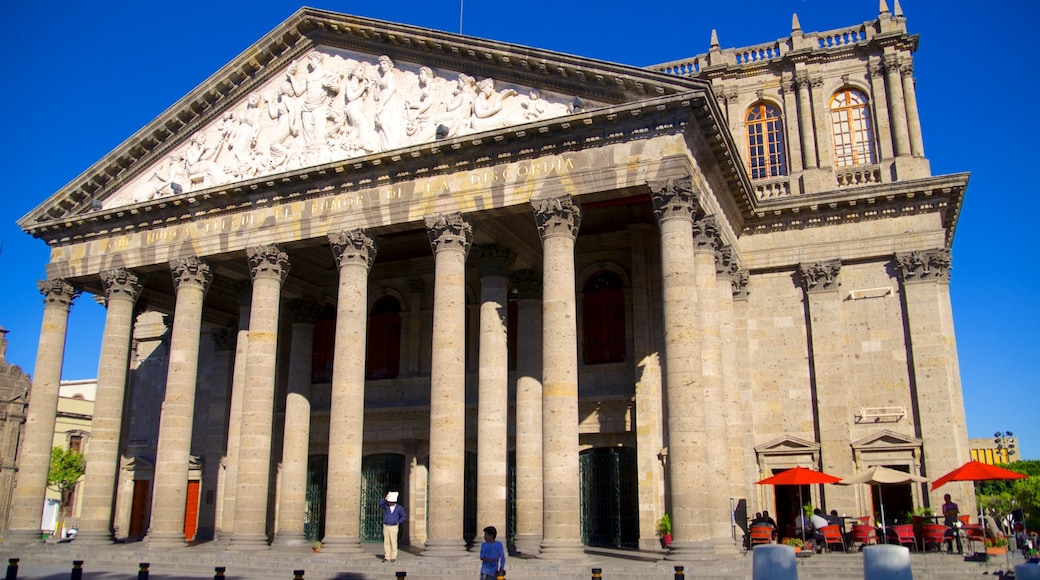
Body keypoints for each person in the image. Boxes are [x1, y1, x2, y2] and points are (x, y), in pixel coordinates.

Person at [379, 491, 406, 562]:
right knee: (386, 541)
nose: (389, 503)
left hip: (393, 526)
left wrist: (399, 522)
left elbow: (403, 516)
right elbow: (380, 504)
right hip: (386, 525)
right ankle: (387, 556)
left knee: (393, 541)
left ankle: (393, 556)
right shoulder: (386, 506)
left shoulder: (399, 508)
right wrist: (385, 498)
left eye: (390, 502)